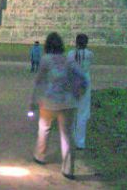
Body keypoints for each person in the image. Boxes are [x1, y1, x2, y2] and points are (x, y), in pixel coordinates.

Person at [29, 32, 87, 180]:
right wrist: (78, 93)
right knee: (67, 135)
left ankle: (40, 155)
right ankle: (68, 169)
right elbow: (82, 77)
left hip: (49, 102)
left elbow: (38, 82)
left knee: (44, 128)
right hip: (68, 102)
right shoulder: (69, 59)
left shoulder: (46, 59)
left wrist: (33, 101)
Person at [67, 33, 94, 150]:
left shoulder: (70, 54)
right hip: (85, 82)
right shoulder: (90, 54)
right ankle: (80, 142)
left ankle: (70, 139)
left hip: (73, 82)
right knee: (82, 113)